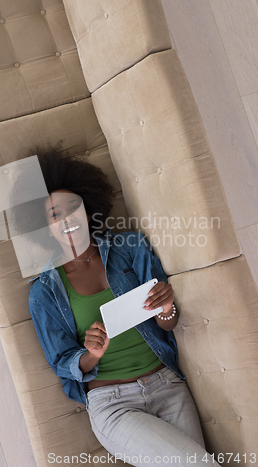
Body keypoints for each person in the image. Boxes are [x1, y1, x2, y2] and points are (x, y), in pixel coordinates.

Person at [25, 143, 220, 467]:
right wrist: (91, 354)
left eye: (73, 207)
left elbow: (167, 323)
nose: (67, 218)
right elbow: (61, 361)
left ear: (88, 210)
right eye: (54, 214)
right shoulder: (44, 292)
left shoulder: (130, 248)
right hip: (112, 405)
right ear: (45, 227)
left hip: (167, 386)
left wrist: (166, 306)